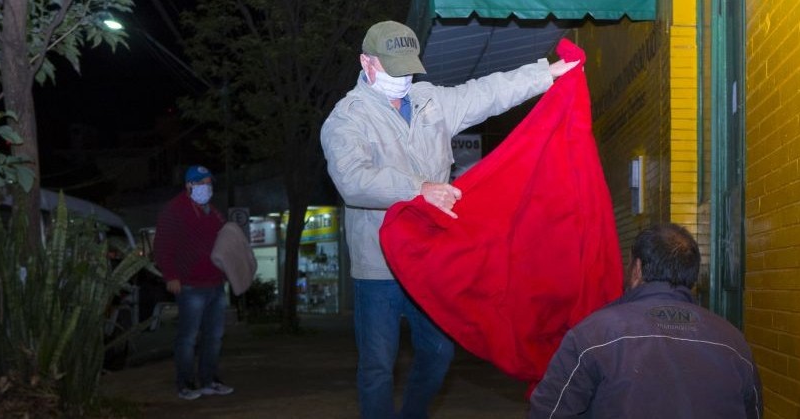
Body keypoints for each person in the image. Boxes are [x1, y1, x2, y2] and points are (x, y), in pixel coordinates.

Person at [320, 20, 578, 419]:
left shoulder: (430, 101)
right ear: (367, 63)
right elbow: (353, 180)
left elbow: (486, 93)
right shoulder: (346, 120)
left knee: (439, 352)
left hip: (429, 259)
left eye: (408, 67)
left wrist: (545, 74)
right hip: (378, 266)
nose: (403, 77)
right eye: (393, 68)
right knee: (377, 366)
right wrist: (420, 189)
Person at [529, 223, 763, 418]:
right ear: (691, 275)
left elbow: (548, 414)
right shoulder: (734, 342)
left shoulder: (592, 336)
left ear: (637, 268)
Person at [153, 165, 234, 400]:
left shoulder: (213, 212)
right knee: (188, 338)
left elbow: (224, 242)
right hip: (189, 286)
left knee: (214, 337)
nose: (206, 188)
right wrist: (171, 276)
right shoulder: (173, 211)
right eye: (201, 183)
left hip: (215, 284)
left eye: (209, 183)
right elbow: (163, 247)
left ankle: (210, 380)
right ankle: (186, 384)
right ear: (189, 185)